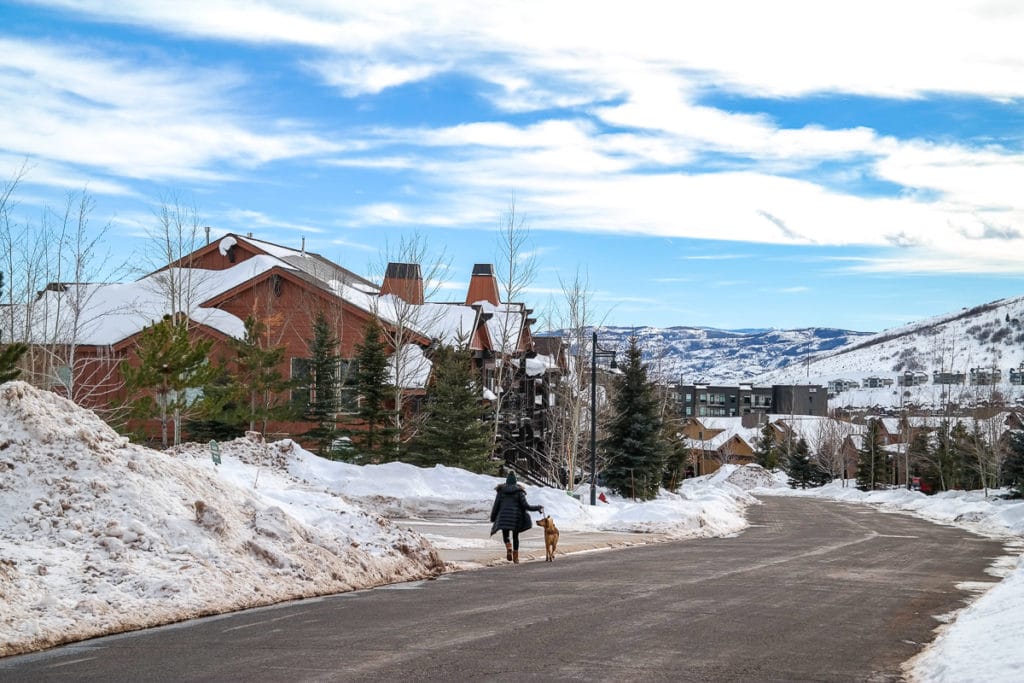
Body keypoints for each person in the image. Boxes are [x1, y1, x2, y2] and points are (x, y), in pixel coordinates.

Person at [489, 471, 543, 564]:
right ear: (515, 482)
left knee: (505, 535)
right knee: (515, 536)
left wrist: (493, 517)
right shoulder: (519, 491)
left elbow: (496, 505)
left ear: (507, 482)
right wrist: (538, 508)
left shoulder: (501, 491)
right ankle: (516, 557)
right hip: (516, 517)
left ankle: (508, 547)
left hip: (503, 517)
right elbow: (526, 506)